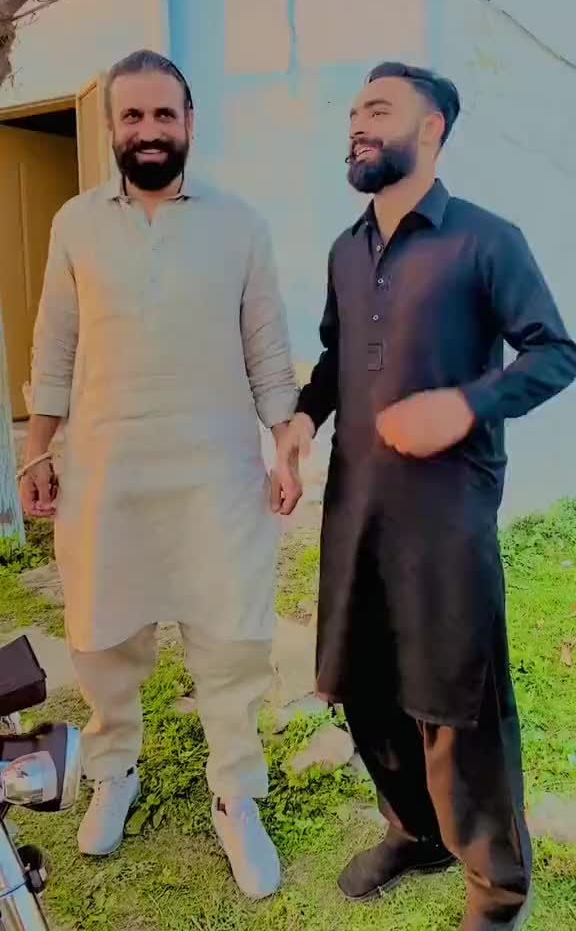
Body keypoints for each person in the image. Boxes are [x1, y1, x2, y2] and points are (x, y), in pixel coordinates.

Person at [276, 61, 576, 929]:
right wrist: (303, 418)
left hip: (448, 518)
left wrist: (465, 404)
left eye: (379, 108)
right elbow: (336, 358)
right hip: (357, 511)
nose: (357, 124)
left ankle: (498, 889)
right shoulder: (346, 249)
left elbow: (555, 352)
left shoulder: (486, 240)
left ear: (433, 128)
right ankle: (415, 834)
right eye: (353, 111)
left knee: (458, 704)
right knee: (365, 685)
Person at [19, 49, 301, 899]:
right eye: (133, 115)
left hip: (216, 474)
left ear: (190, 124)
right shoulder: (75, 224)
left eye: (163, 115)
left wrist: (285, 444)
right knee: (103, 635)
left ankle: (235, 794)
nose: (149, 130)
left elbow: (268, 351)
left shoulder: (240, 224)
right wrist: (37, 450)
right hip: (106, 471)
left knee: (232, 638)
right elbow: (54, 346)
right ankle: (115, 771)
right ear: (112, 126)